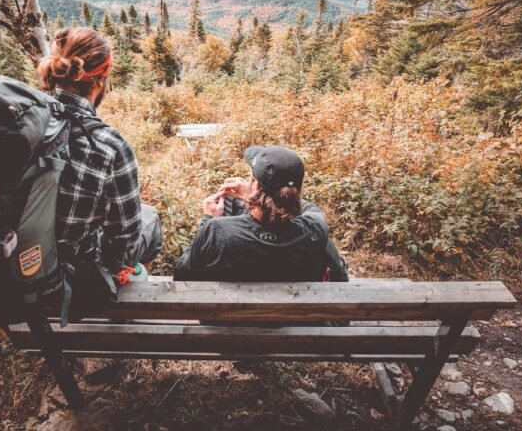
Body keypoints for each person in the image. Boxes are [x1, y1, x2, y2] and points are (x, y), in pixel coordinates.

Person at [36, 27, 161, 279]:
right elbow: (124, 237)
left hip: (14, 262)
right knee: (151, 220)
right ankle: (126, 287)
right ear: (101, 78)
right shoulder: (109, 145)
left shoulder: (22, 123)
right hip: (73, 273)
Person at [174, 145, 348, 282]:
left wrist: (207, 219)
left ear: (256, 186)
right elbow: (306, 208)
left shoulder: (216, 231)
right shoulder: (315, 229)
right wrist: (256, 194)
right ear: (296, 191)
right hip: (294, 317)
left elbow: (182, 275)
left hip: (228, 318)